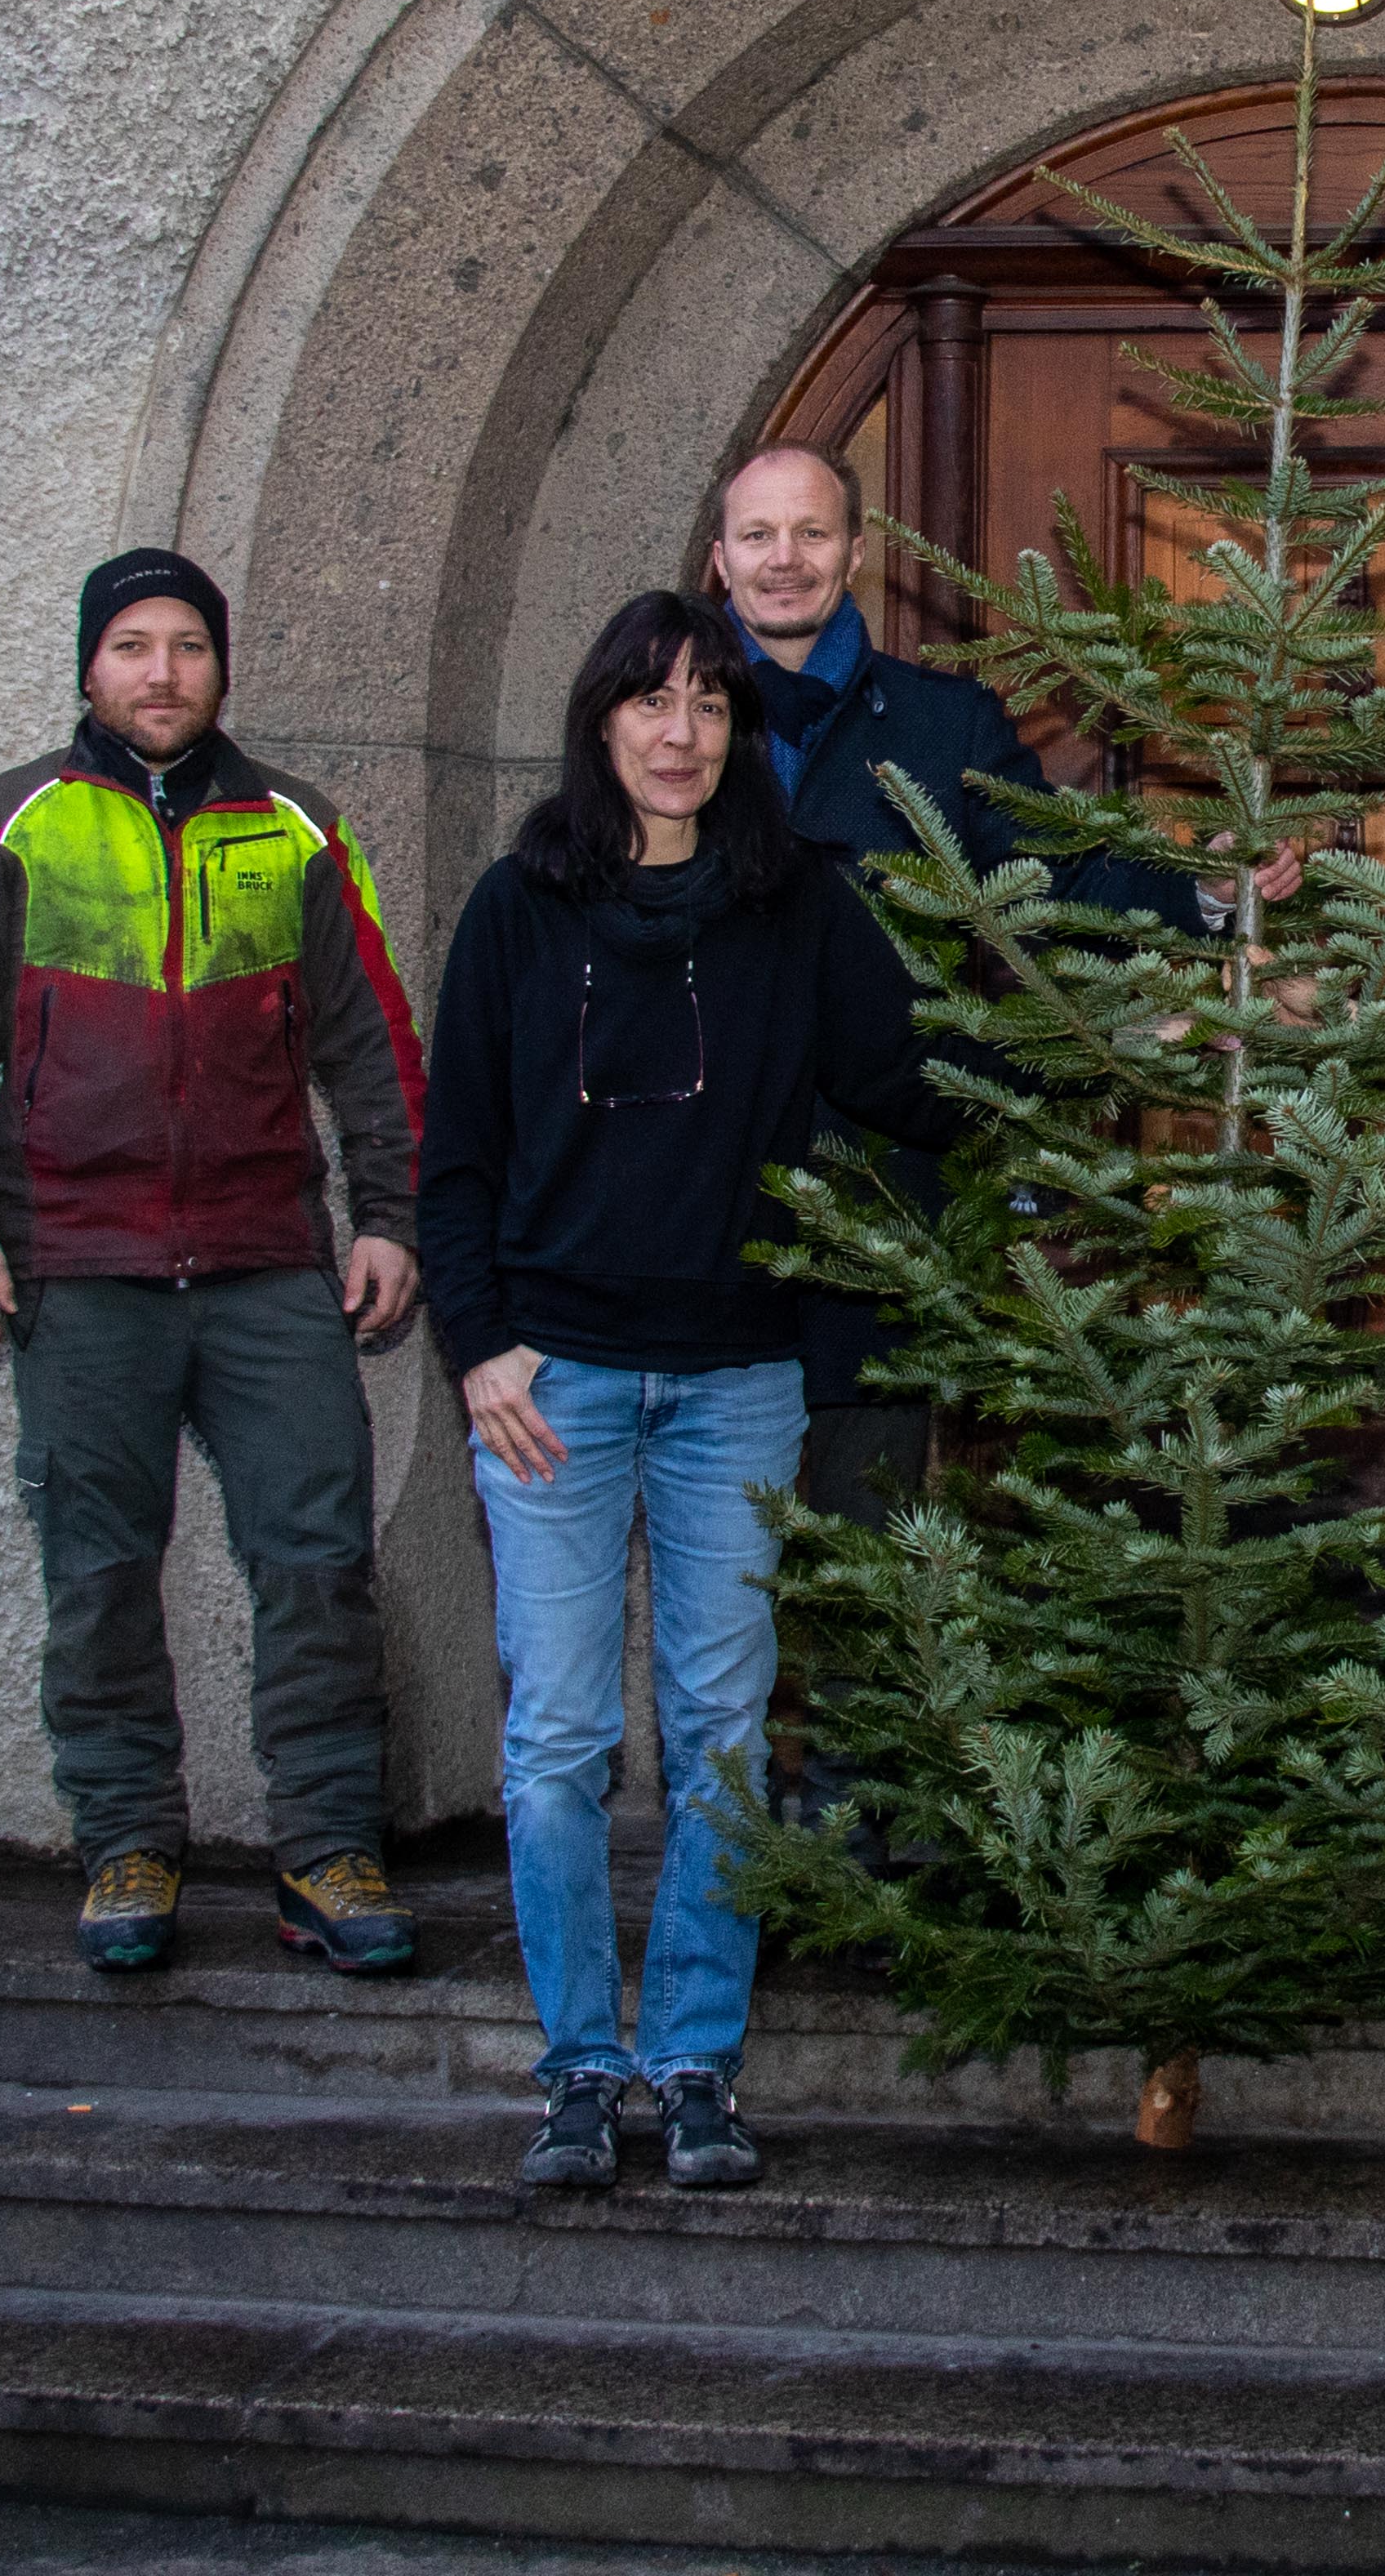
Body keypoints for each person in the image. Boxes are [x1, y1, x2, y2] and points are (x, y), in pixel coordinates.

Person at [418, 587, 968, 2195]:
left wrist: (1107, 1036)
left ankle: (699, 2059)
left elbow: (904, 1075)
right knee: (564, 1734)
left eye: (712, 704)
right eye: (652, 700)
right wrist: (480, 1345)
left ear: (740, 730)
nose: (682, 731)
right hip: (555, 1385)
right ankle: (583, 2060)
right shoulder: (521, 907)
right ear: (602, 721)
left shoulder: (791, 902)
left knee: (726, 1731)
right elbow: (454, 1160)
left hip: (738, 1379)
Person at [0, 546, 430, 1979]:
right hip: (78, 1262)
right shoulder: (13, 828)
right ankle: (127, 1840)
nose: (163, 672)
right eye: (133, 644)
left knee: (317, 1567)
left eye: (188, 644)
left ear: (220, 666)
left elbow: (372, 1046)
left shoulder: (300, 829)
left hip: (267, 1265)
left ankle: (326, 1850)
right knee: (102, 1572)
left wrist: (392, 1216)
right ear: (90, 667)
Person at [702, 439, 1295, 1544]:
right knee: (706, 1595)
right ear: (719, 561)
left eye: (812, 532)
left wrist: (1200, 888)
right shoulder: (666, 724)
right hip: (697, 1205)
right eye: (758, 535)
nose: (786, 560)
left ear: (857, 552)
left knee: (870, 1577)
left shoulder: (944, 723)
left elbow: (1058, 883)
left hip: (885, 1203)